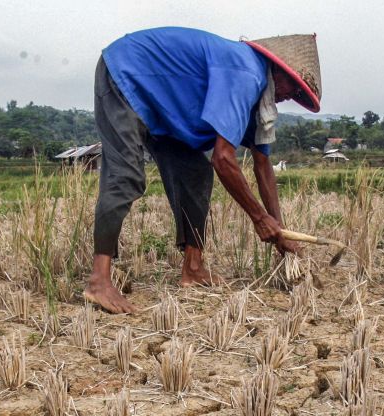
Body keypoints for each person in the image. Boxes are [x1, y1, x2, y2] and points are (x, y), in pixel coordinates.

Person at [85, 27, 323, 313]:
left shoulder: (260, 97)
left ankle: (193, 269)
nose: (289, 97)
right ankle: (99, 281)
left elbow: (263, 165)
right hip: (126, 73)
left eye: (299, 94)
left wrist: (279, 230)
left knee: (195, 173)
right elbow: (223, 159)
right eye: (293, 87)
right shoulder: (247, 74)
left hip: (164, 108)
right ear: (279, 69)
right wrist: (259, 218)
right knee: (125, 176)